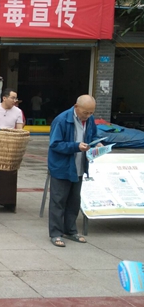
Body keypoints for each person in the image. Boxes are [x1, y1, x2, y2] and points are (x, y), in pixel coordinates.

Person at [47, 95, 99, 248]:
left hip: (79, 166)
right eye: (85, 112)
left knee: (74, 201)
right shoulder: (61, 120)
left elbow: (93, 136)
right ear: (76, 107)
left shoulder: (90, 120)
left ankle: (70, 230)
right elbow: (55, 144)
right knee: (58, 201)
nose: (88, 116)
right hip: (62, 167)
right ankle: (55, 233)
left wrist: (98, 144)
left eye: (91, 112)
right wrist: (76, 146)